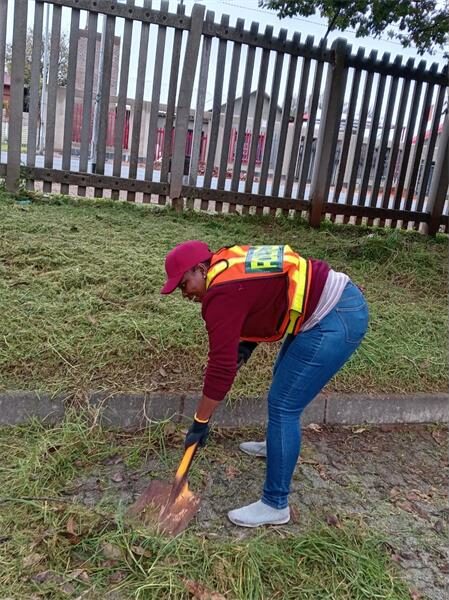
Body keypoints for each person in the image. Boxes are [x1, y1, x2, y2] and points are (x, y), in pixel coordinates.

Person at [161, 240, 369, 528]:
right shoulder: (226, 262)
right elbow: (262, 295)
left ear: (200, 269)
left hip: (334, 317)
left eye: (184, 285)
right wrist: (245, 346)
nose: (185, 294)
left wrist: (200, 421)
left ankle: (275, 504)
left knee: (284, 405)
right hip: (332, 304)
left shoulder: (220, 294)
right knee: (282, 383)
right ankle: (276, 446)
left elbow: (220, 369)